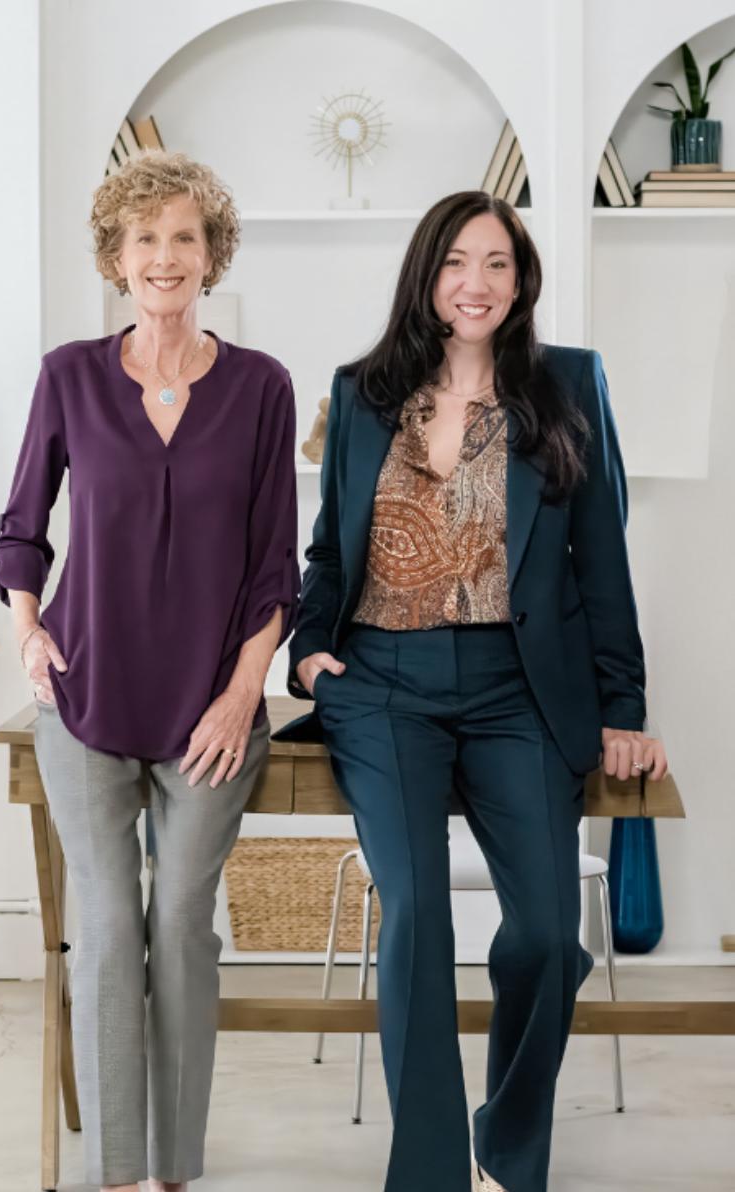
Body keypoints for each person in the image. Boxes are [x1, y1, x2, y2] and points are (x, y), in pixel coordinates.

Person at [276, 191, 669, 1192]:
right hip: (382, 684)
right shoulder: (362, 392)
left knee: (546, 934)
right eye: (457, 261)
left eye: (497, 263)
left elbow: (602, 559)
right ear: (427, 275)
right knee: (415, 914)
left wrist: (621, 708)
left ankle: (505, 1148)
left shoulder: (567, 384)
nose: (476, 283)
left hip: (517, 688)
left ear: (520, 280)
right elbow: (330, 551)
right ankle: (428, 1177)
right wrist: (309, 648)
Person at [0, 152, 299, 1192]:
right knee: (111, 930)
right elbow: (20, 528)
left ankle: (174, 1168)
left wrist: (243, 693)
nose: (165, 257)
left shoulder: (259, 387)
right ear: (116, 260)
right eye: (145, 239)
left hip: (213, 708)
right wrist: (28, 632)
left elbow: (275, 566)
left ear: (212, 255)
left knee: (181, 927)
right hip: (85, 698)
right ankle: (119, 1173)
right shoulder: (69, 376)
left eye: (184, 237)